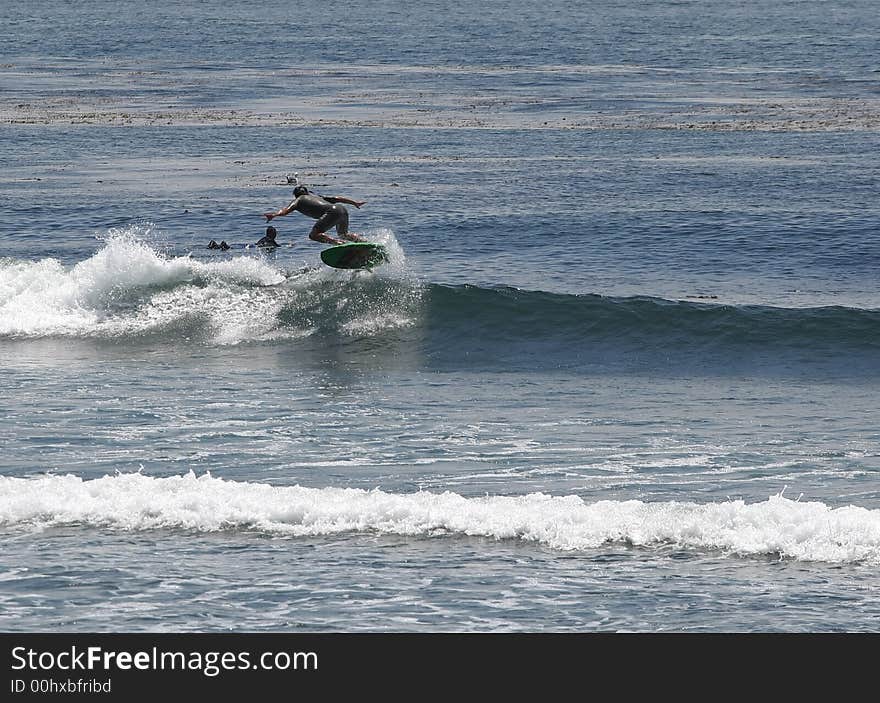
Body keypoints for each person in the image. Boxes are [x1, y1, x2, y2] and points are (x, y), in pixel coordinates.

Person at [263, 185, 367, 245]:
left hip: (332, 212)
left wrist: (274, 215)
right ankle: (364, 242)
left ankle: (339, 244)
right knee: (344, 234)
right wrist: (354, 203)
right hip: (342, 210)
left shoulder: (298, 200)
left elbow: (285, 211)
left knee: (314, 235)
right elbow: (337, 198)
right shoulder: (318, 197)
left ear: (295, 195)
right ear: (307, 192)